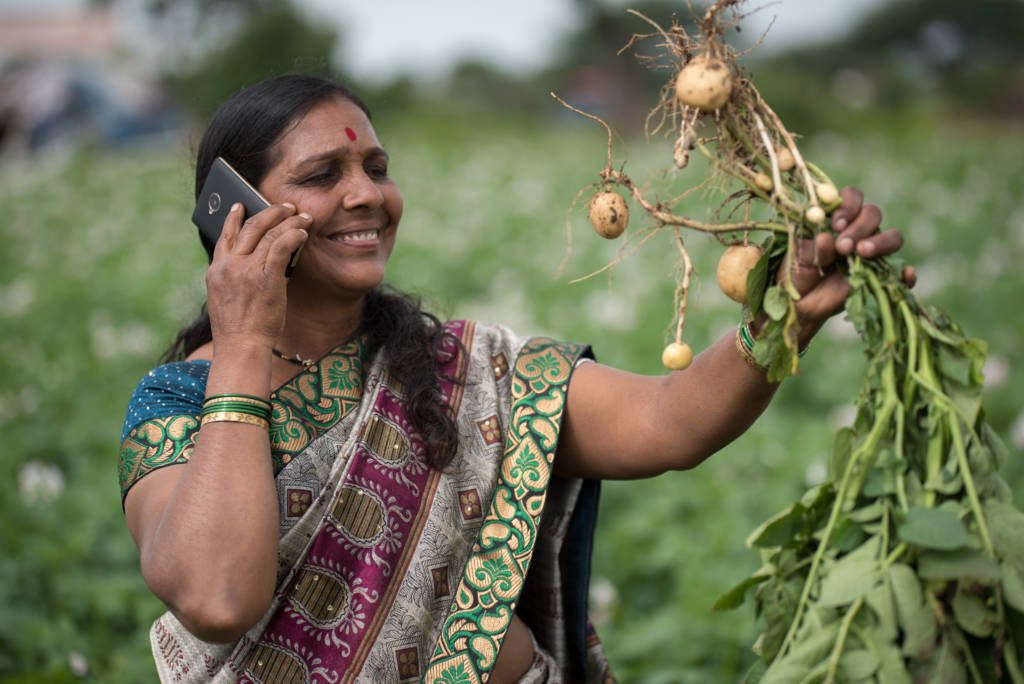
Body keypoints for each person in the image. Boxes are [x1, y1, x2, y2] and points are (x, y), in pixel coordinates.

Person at [118, 73, 914, 683]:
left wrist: (787, 314)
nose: (367, 195)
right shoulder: (177, 407)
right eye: (324, 174)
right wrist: (244, 344)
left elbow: (672, 421)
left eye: (377, 165)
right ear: (236, 214)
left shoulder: (462, 370)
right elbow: (219, 599)